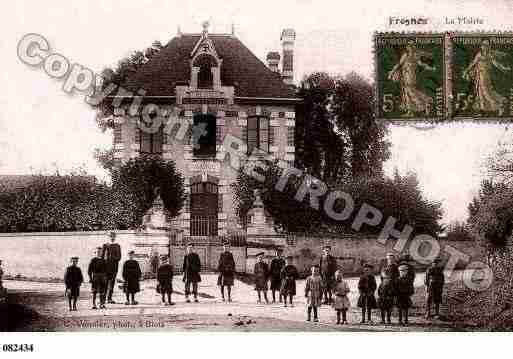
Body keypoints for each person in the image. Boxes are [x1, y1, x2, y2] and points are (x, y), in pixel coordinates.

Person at [102, 232, 121, 304]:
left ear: (115, 237)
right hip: (106, 268)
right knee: (105, 283)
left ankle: (109, 298)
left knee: (112, 283)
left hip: (114, 267)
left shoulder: (117, 246)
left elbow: (119, 257)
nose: (112, 238)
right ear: (108, 237)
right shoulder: (105, 245)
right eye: (110, 236)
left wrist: (112, 258)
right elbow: (102, 257)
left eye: (113, 237)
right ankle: (103, 298)